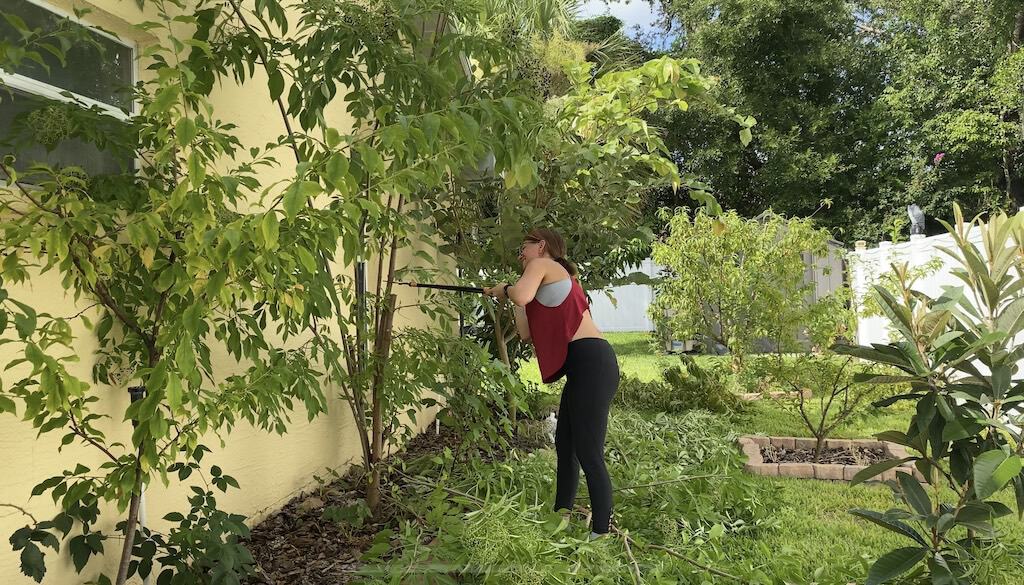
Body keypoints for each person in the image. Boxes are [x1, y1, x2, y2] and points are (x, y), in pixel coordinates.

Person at [484, 228, 620, 539]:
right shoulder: (546, 279)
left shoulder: (544, 264)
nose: (522, 255)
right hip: (585, 367)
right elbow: (526, 333)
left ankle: (601, 530)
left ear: (541, 246)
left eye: (524, 247)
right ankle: (562, 513)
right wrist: (508, 297)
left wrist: (507, 289)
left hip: (592, 363)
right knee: (566, 444)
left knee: (588, 451)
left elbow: (519, 292)